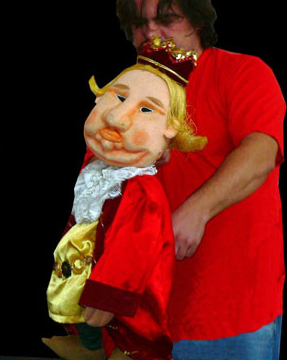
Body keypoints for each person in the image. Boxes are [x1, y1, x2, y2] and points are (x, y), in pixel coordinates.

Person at [113, 0, 285, 359]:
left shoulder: (243, 72)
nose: (150, 33)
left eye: (166, 19)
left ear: (198, 19)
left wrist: (196, 210)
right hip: (144, 317)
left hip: (232, 316)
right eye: (139, 23)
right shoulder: (127, 94)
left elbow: (262, 151)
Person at [44, 37, 206, 360]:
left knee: (127, 329)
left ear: (169, 129)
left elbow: (132, 251)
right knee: (82, 309)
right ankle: (92, 344)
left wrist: (107, 297)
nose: (117, 117)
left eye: (146, 110)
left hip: (126, 293)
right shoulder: (98, 168)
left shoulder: (142, 194)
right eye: (118, 97)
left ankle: (125, 351)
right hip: (85, 268)